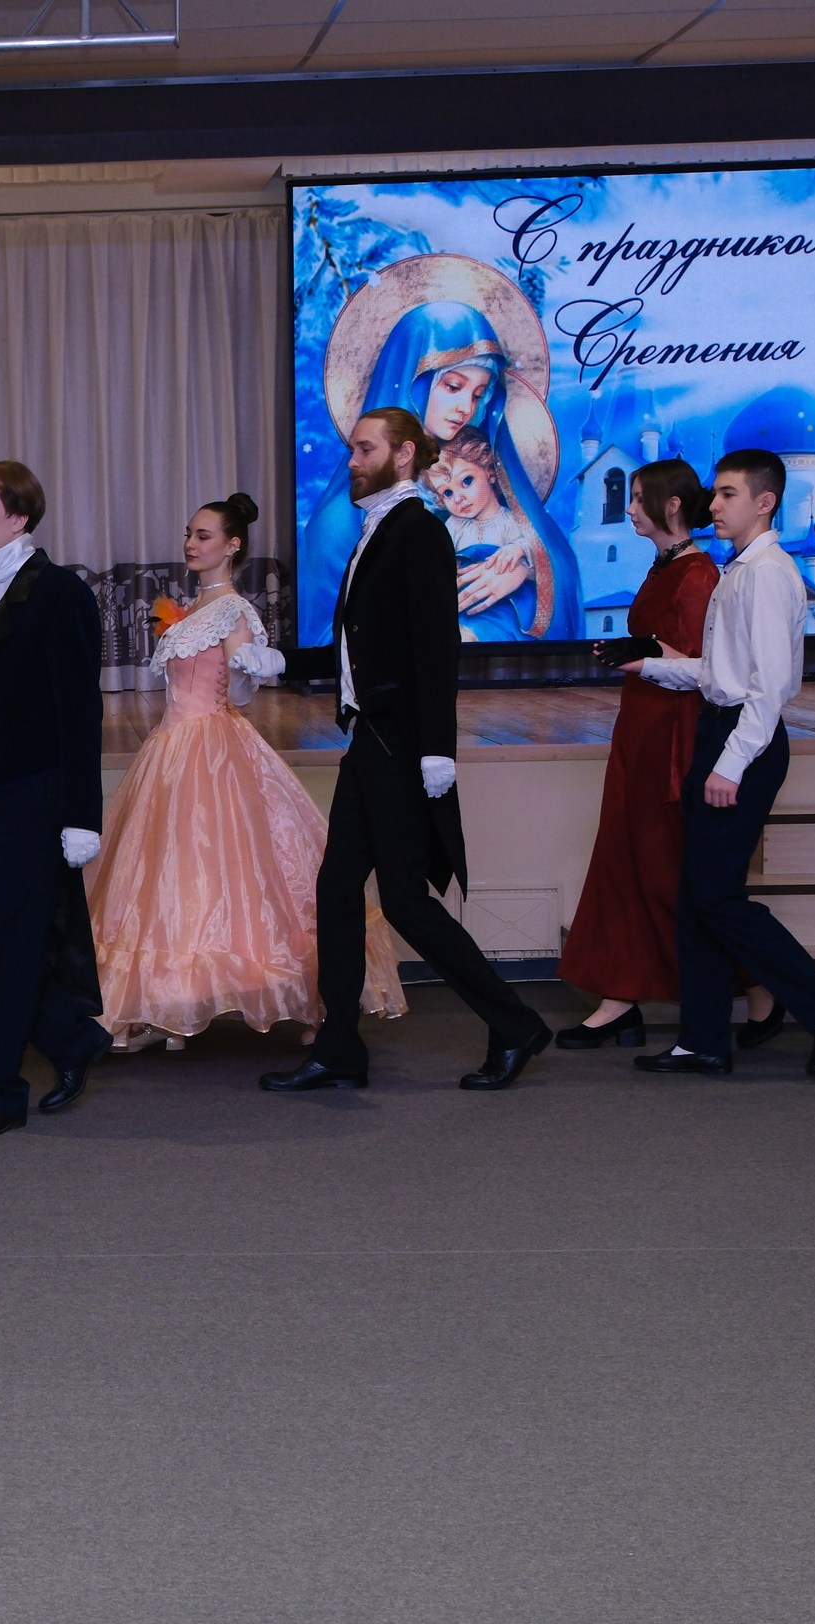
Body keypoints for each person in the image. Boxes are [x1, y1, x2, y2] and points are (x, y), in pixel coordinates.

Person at [265, 410, 551, 1094]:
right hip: (371, 737)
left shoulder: (418, 529)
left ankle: (515, 1023)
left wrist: (436, 749)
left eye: (364, 449)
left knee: (404, 901)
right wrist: (282, 660)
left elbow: (434, 645)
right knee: (338, 888)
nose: (352, 459)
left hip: (397, 742)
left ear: (402, 455)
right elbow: (360, 645)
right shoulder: (380, 527)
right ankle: (339, 1046)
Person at [89, 494, 406, 1051]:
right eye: (189, 534)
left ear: (232, 545)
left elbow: (239, 691)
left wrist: (245, 663)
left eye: (204, 535)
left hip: (211, 747)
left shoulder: (234, 610)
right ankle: (166, 1007)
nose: (191, 544)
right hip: (169, 748)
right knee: (172, 877)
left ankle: (307, 998)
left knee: (226, 872)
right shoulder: (191, 608)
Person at [625, 450, 815, 1076]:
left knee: (715, 897)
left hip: (743, 742)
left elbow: (768, 687)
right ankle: (703, 1040)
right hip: (722, 732)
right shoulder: (740, 569)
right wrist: (651, 665)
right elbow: (721, 672)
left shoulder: (765, 574)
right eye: (715, 493)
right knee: (697, 897)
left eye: (728, 494)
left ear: (765, 502)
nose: (713, 505)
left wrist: (730, 765)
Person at [556, 459, 772, 1050]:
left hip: (672, 733)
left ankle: (760, 987)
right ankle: (620, 997)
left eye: (637, 498)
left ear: (670, 505)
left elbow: (708, 667)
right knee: (628, 861)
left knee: (664, 871)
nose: (628, 509)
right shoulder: (668, 566)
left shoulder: (697, 574)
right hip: (643, 726)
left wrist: (646, 653)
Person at [0, 459, 110, 1140]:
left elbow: (79, 709)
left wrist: (81, 815)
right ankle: (70, 1035)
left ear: (19, 517)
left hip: (32, 798)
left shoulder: (57, 592)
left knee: (13, 946)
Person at [301, 295, 581, 646]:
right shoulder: (340, 519)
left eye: (478, 395)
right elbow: (327, 634)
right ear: (413, 380)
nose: (466, 408)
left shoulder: (483, 467)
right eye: (453, 386)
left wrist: (521, 573)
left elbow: (561, 569)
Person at [427, 427, 556, 642]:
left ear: (490, 471)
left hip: (505, 606)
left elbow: (537, 549)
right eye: (447, 493)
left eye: (466, 481)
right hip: (465, 606)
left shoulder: (511, 520)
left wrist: (518, 549)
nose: (458, 498)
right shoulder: (453, 525)